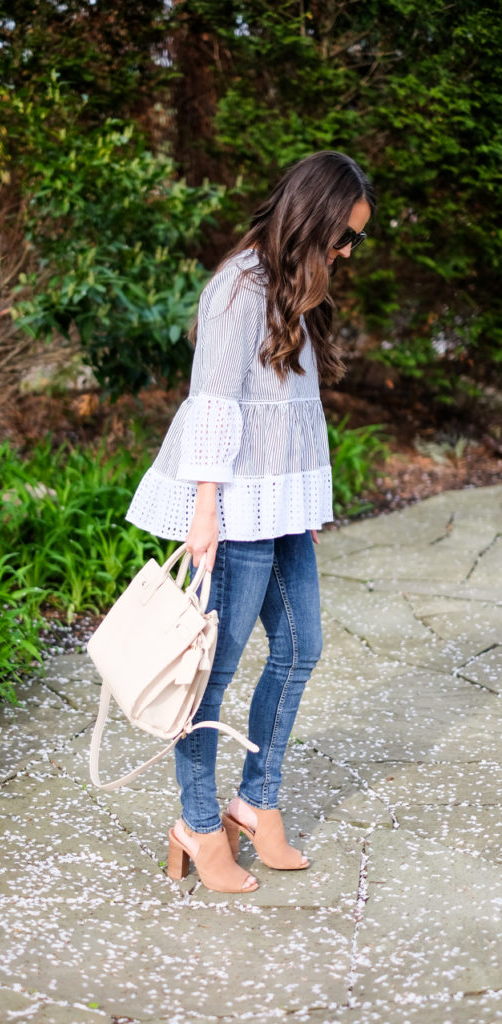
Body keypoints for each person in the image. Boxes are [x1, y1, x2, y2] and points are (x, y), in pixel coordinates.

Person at [126, 150, 374, 894]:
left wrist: (303, 501)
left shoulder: (294, 287)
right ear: (313, 218)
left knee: (302, 648)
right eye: (343, 233)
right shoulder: (237, 287)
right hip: (231, 511)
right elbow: (214, 403)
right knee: (210, 674)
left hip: (280, 507)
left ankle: (254, 800)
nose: (347, 250)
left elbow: (290, 411)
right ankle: (198, 825)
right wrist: (205, 510)